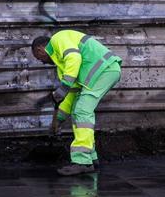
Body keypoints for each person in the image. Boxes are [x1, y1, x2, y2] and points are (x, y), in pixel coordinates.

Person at [31, 31, 122, 175]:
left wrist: (63, 88)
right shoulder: (63, 67)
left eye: (39, 58)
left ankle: (82, 162)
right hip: (102, 73)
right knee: (78, 112)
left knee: (82, 111)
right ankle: (91, 159)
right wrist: (58, 120)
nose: (41, 61)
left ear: (39, 49)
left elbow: (74, 58)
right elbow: (70, 96)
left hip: (105, 70)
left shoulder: (58, 39)